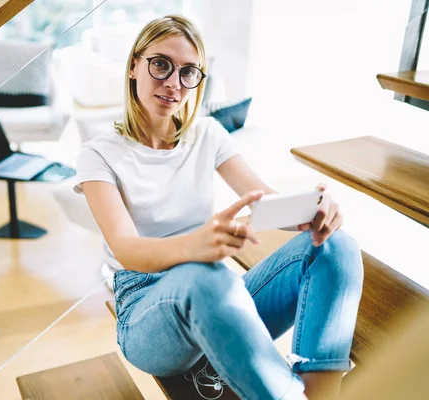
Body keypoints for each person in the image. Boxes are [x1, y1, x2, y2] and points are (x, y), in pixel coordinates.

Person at [73, 14, 363, 400]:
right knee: (208, 277)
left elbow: (266, 201)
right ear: (133, 66)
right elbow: (125, 247)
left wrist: (314, 209)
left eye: (188, 72)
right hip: (145, 308)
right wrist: (195, 246)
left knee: (337, 248)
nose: (174, 83)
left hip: (213, 295)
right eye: (161, 64)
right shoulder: (98, 154)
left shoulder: (207, 134)